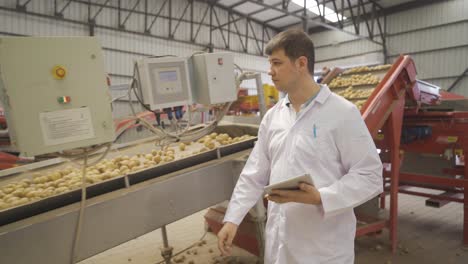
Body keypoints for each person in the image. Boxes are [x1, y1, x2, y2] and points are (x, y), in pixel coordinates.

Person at [217, 28, 383, 264]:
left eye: (277, 63)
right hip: (280, 245)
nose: (270, 71)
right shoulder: (273, 118)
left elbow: (370, 175)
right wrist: (232, 218)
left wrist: (321, 197)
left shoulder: (342, 113)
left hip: (323, 249)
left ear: (301, 63)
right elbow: (254, 174)